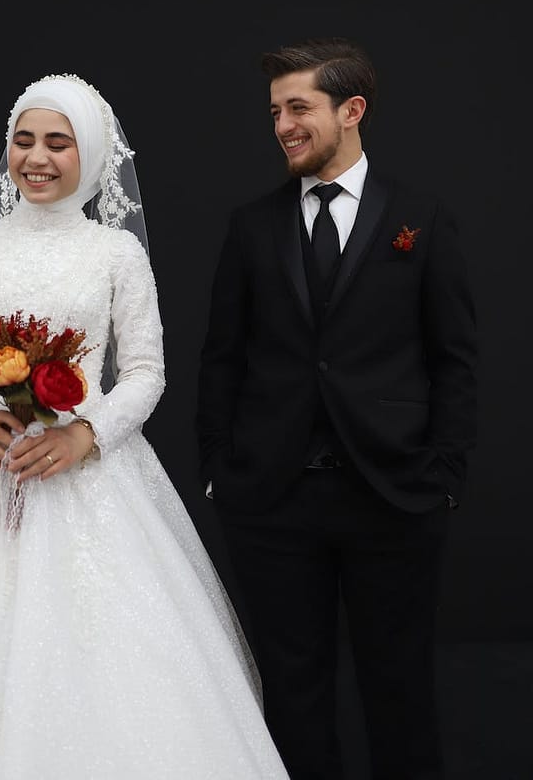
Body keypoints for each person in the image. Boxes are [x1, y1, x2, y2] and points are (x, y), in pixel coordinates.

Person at [0, 72, 289, 779]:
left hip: (82, 475)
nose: (37, 158)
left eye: (58, 143)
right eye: (23, 140)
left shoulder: (115, 253)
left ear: (91, 155)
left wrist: (85, 434)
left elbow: (147, 373)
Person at [194, 38, 478, 780]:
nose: (283, 124)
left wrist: (443, 474)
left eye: (299, 108)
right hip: (273, 498)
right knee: (290, 693)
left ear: (350, 111)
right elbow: (221, 356)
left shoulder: (423, 218)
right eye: (275, 112)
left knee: (400, 688)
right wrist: (221, 469)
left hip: (394, 492)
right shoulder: (250, 226)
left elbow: (455, 358)